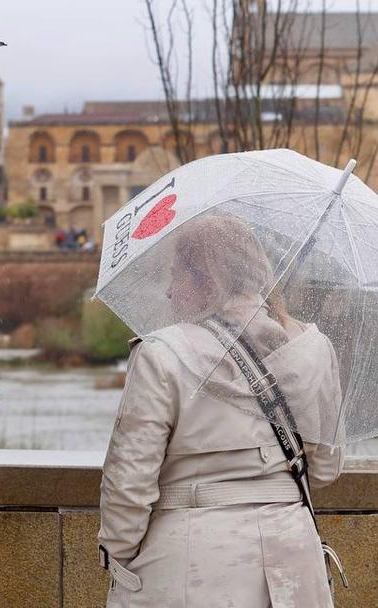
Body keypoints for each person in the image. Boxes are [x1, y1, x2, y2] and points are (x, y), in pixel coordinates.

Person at [99, 214, 344, 607]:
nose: (168, 292)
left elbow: (128, 482)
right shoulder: (314, 349)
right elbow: (327, 468)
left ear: (207, 280)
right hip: (293, 559)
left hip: (191, 559)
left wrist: (120, 558)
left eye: (177, 276)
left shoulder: (162, 353)